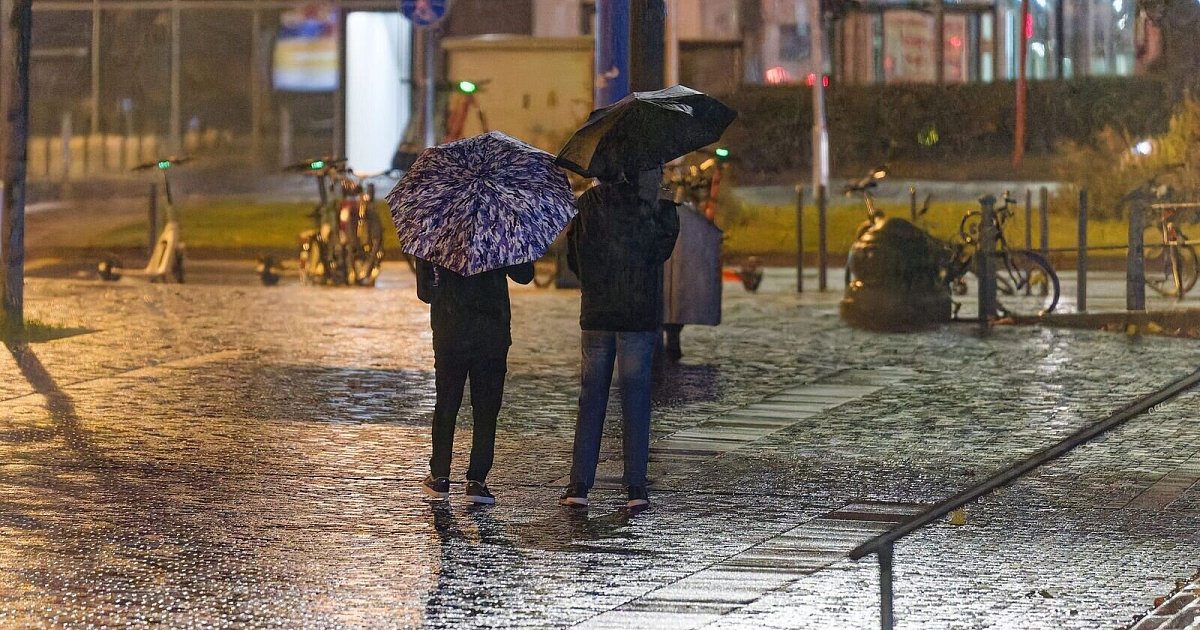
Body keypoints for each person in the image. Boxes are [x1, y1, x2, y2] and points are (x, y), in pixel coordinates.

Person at [560, 167, 679, 511]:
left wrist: (595, 283)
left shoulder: (587, 205)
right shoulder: (651, 206)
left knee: (592, 397)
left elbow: (574, 258)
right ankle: (636, 488)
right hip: (637, 314)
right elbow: (662, 249)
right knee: (636, 399)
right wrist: (663, 200)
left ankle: (579, 485)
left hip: (597, 313)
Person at [416, 259, 534, 505]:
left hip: (450, 329)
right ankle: (477, 481)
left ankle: (440, 475)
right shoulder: (500, 229)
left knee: (447, 403)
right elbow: (524, 275)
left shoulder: (438, 229)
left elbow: (425, 292)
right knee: (486, 408)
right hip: (491, 330)